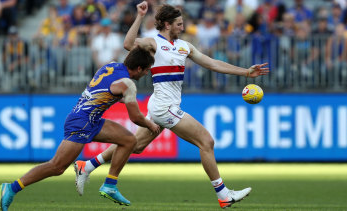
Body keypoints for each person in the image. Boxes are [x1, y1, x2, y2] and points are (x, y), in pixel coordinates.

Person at [74, 1, 269, 209]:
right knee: (206, 142)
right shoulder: (153, 43)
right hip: (164, 108)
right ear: (167, 25)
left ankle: (87, 166)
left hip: (161, 105)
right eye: (179, 24)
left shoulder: (185, 46)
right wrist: (140, 16)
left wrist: (246, 72)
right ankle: (223, 194)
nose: (182, 27)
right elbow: (128, 44)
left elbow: (212, 63)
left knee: (136, 145)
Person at [0, 46, 160, 211]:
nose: (147, 73)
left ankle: (110, 185)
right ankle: (12, 188)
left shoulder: (110, 66)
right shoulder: (128, 84)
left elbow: (103, 89)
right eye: (146, 70)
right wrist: (151, 125)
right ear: (139, 68)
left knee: (129, 140)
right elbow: (135, 117)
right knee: (57, 166)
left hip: (91, 119)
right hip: (81, 122)